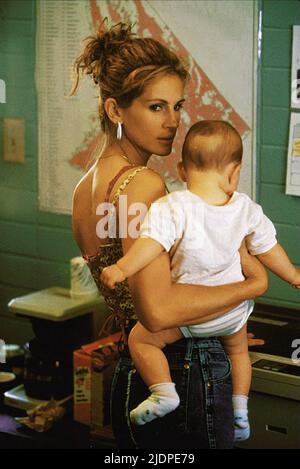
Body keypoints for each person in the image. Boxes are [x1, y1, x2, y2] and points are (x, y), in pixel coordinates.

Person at [70, 20, 268, 449]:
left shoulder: (84, 187)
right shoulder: (143, 185)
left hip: (138, 369)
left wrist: (218, 321)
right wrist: (246, 289)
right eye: (156, 107)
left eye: (177, 107)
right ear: (115, 110)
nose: (174, 122)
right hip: (182, 372)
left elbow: (145, 301)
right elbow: (158, 312)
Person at [101, 119, 300, 441]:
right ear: (235, 172)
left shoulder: (173, 207)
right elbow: (268, 248)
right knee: (238, 354)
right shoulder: (246, 209)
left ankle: (163, 392)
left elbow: (150, 246)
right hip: (234, 313)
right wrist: (293, 276)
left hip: (190, 314)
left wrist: (122, 268)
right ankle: (240, 410)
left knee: (142, 339)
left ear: (181, 170)